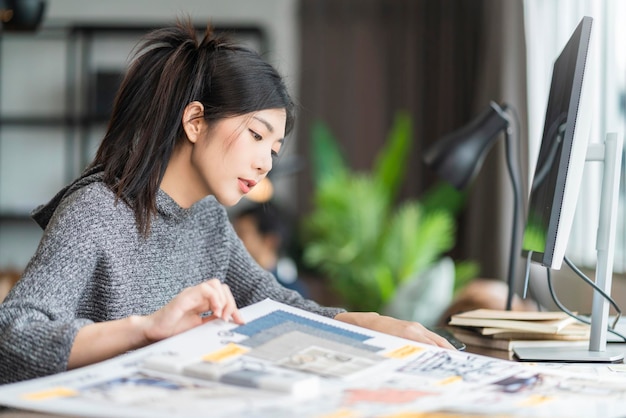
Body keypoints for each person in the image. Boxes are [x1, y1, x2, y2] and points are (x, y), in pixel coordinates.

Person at [0, 19, 452, 385]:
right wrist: (146, 329)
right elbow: (12, 335)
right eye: (256, 135)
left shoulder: (206, 219)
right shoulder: (98, 211)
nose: (265, 164)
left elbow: (274, 304)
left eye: (273, 152)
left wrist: (372, 324)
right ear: (196, 121)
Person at [232, 202, 310, 298]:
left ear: (270, 240)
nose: (233, 239)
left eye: (242, 233)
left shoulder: (291, 292)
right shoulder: (230, 284)